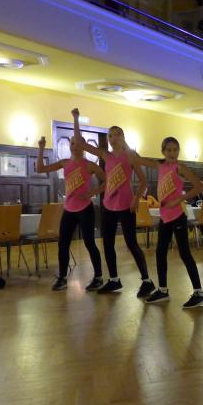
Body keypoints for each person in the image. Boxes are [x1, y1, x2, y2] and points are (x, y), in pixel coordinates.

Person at [71, 108, 154, 297]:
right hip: (108, 205)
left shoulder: (131, 156)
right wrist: (76, 118)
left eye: (116, 134)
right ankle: (114, 280)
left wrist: (136, 199)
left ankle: (147, 281)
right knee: (107, 243)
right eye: (110, 135)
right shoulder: (106, 155)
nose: (112, 138)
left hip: (126, 205)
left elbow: (143, 182)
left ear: (122, 137)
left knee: (131, 243)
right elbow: (81, 144)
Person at [131, 138, 203, 308]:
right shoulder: (160, 166)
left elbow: (199, 186)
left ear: (178, 151)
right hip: (165, 217)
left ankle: (199, 293)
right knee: (160, 253)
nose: (172, 153)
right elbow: (138, 159)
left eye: (175, 149)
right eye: (169, 150)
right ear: (163, 152)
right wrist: (124, 144)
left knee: (185, 254)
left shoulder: (179, 167)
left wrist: (179, 199)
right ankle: (163, 290)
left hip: (178, 216)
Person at [36, 135, 105, 291]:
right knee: (63, 244)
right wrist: (41, 148)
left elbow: (109, 180)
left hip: (85, 209)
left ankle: (99, 277)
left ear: (84, 146)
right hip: (69, 209)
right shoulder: (65, 163)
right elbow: (40, 169)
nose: (75, 146)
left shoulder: (90, 165)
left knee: (89, 243)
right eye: (72, 143)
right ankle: (62, 278)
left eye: (78, 143)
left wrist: (92, 192)